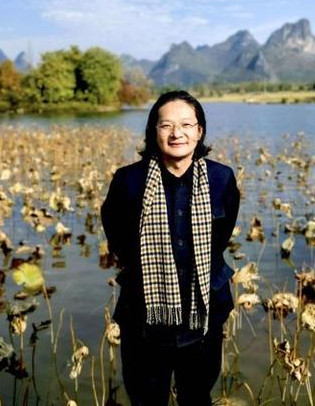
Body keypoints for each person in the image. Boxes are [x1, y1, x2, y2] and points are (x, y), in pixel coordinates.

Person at [101, 90, 240, 406]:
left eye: (187, 125)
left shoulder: (221, 178)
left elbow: (221, 237)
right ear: (153, 131)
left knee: (197, 396)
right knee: (146, 399)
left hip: (204, 314)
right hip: (144, 315)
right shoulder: (128, 181)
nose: (177, 133)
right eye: (166, 125)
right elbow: (117, 235)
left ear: (199, 131)